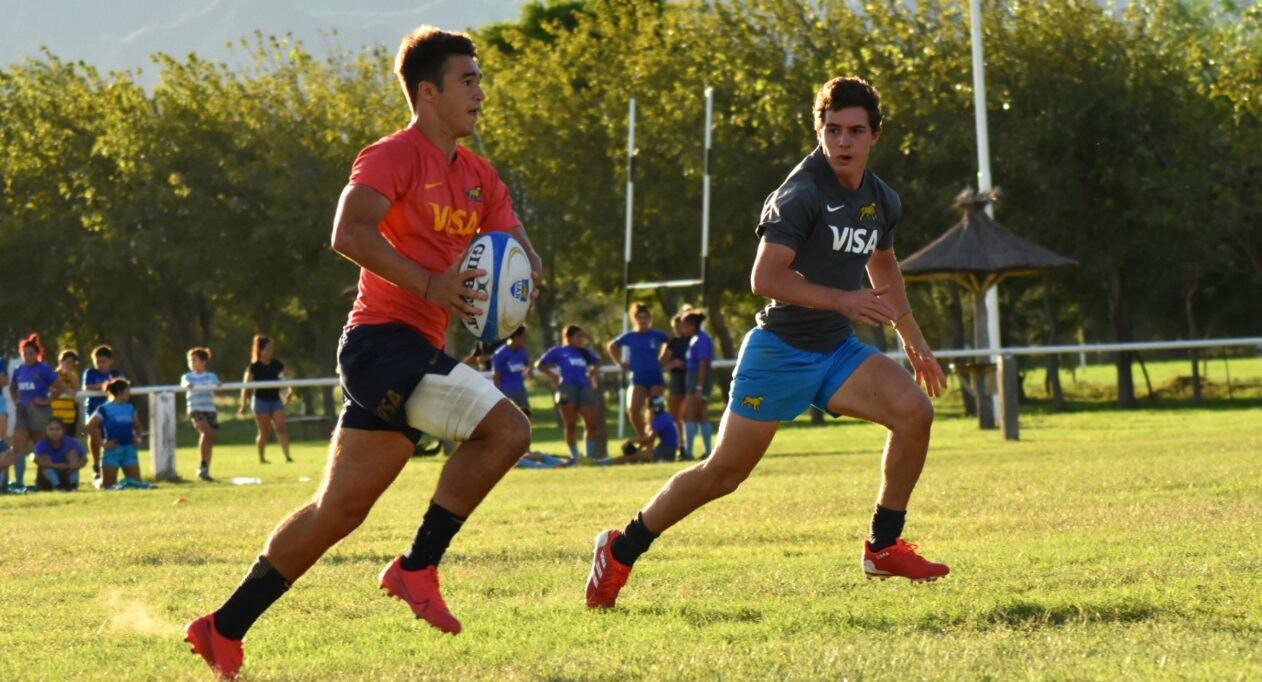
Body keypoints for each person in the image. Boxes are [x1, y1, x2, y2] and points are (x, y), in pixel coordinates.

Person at [185, 25, 542, 679]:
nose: (481, 92)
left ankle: (222, 626)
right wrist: (432, 283)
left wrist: (520, 283)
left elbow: (516, 250)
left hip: (414, 348)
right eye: (468, 79)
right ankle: (417, 568)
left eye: (480, 79)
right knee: (507, 430)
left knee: (340, 510)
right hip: (382, 344)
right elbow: (348, 231)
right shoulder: (392, 156)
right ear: (428, 92)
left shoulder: (479, 175)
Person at [586, 77, 951, 610]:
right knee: (723, 474)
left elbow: (884, 266)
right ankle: (620, 549)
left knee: (914, 413)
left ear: (875, 135)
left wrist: (913, 340)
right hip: (779, 351)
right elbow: (765, 278)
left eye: (855, 131)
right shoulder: (800, 194)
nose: (842, 142)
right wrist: (845, 301)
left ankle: (884, 545)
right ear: (818, 131)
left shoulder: (880, 198)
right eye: (832, 130)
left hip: (835, 349)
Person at [5, 334, 66, 493]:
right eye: (25, 354)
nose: (28, 356)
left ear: (37, 353)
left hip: (41, 413)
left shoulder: (44, 369)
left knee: (41, 449)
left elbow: (59, 388)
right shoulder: (19, 370)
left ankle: (47, 483)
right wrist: (16, 399)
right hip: (23, 412)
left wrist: (47, 401)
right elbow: (12, 387)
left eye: (31, 353)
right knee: (19, 448)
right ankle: (19, 483)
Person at [536, 325, 603, 463]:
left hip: (584, 387)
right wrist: (553, 376)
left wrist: (593, 371)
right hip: (567, 388)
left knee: (591, 423)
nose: (581, 339)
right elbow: (539, 364)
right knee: (571, 424)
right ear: (569, 337)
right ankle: (576, 457)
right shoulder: (558, 351)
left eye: (582, 336)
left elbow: (597, 361)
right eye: (578, 336)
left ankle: (588, 457)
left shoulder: (584, 352)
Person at [606, 302, 669, 438]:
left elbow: (670, 343)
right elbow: (612, 346)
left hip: (655, 377)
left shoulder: (656, 335)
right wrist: (620, 363)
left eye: (645, 318)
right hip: (638, 378)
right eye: (640, 318)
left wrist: (663, 359)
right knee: (633, 410)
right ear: (635, 319)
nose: (643, 321)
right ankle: (644, 437)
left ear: (649, 319)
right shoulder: (630, 336)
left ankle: (653, 437)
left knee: (655, 409)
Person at [86, 378, 152, 490]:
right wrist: (102, 444)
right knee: (108, 486)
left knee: (136, 484)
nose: (130, 394)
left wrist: (138, 437)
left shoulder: (130, 407)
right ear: (120, 392)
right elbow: (90, 426)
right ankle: (97, 480)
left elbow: (138, 426)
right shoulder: (105, 409)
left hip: (129, 450)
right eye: (127, 391)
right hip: (112, 451)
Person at [237, 335, 292, 464]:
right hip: (260, 401)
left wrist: (290, 391)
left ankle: (288, 457)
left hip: (275, 400)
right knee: (265, 432)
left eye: (272, 348)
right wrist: (243, 405)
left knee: (281, 427)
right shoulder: (254, 367)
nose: (270, 351)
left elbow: (287, 377)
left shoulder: (277, 364)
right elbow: (246, 388)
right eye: (267, 348)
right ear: (260, 350)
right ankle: (262, 458)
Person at [598, 396, 679, 466]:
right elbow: (649, 440)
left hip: (665, 452)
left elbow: (649, 439)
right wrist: (639, 449)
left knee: (631, 457)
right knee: (636, 456)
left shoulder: (660, 420)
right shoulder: (665, 416)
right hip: (668, 450)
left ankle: (604, 463)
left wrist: (631, 441)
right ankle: (605, 462)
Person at [82, 345, 124, 476]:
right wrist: (105, 385)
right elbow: (87, 387)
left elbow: (121, 386)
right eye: (97, 361)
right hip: (93, 410)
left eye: (103, 361)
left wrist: (104, 387)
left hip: (112, 412)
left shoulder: (116, 373)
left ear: (110, 361)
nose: (100, 365)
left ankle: (111, 467)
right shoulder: (90, 373)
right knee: (93, 433)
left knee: (114, 439)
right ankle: (96, 465)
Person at [182, 347, 222, 482]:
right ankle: (203, 466)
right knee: (206, 433)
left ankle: (205, 468)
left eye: (194, 360)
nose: (191, 362)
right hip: (195, 408)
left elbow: (217, 386)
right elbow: (184, 384)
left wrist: (218, 386)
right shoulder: (187, 376)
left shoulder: (212, 376)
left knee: (209, 438)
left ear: (204, 361)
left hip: (209, 409)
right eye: (190, 360)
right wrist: (189, 385)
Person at [680, 311, 715, 460]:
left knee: (692, 414)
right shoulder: (695, 339)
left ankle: (692, 452)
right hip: (693, 378)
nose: (683, 328)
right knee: (698, 414)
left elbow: (703, 363)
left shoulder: (702, 339)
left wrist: (700, 386)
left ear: (693, 325)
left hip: (698, 379)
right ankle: (707, 452)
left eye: (686, 325)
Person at [660, 311, 691, 459]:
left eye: (681, 326)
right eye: (675, 327)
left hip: (691, 378)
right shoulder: (673, 342)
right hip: (676, 380)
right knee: (675, 414)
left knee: (688, 414)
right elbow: (662, 363)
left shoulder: (693, 340)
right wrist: (671, 364)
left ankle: (690, 447)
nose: (678, 330)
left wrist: (686, 364)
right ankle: (680, 446)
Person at [32, 417, 87, 491]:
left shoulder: (72, 442)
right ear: (46, 431)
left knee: (73, 454)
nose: (54, 432)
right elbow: (35, 458)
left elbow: (84, 459)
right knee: (44, 457)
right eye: (51, 429)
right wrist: (56, 465)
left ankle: (73, 485)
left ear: (63, 430)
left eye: (58, 429)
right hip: (47, 476)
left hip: (67, 472)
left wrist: (72, 466)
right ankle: (57, 486)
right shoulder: (42, 443)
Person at [492, 326, 532, 417]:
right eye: (524, 336)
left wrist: (529, 371)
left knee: (527, 417)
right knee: (510, 418)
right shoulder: (500, 354)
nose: (526, 339)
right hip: (507, 391)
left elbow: (527, 364)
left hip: (521, 390)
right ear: (516, 337)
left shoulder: (522, 351)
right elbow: (496, 376)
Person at [51, 350, 80, 431]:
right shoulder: (54, 375)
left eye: (73, 365)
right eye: (67, 363)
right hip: (56, 415)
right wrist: (66, 389)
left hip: (70, 416)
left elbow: (77, 388)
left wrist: (69, 374)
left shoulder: (73, 376)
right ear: (60, 362)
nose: (70, 366)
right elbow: (54, 387)